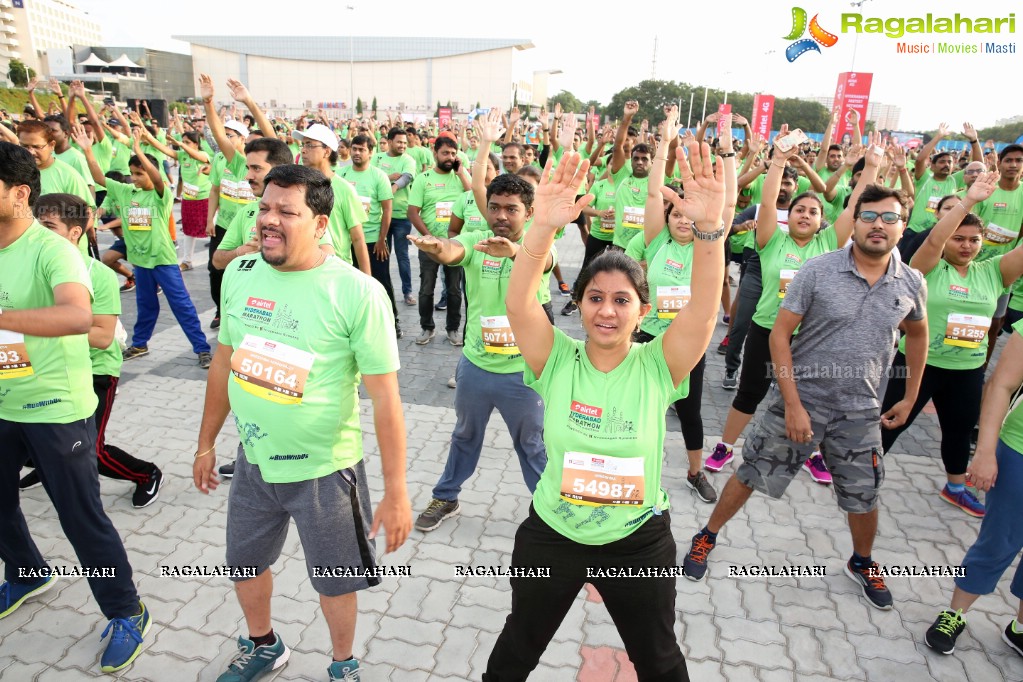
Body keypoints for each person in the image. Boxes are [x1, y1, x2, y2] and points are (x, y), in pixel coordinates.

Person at [483, 134, 728, 680]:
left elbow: (704, 313)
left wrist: (711, 233)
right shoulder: (557, 358)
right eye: (595, 298)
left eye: (622, 300)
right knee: (516, 651)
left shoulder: (658, 365)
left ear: (642, 310)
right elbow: (519, 303)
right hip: (553, 534)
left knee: (660, 661)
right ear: (580, 304)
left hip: (638, 540)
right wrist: (543, 226)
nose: (607, 312)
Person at [193, 164, 411, 682]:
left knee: (335, 580)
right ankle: (264, 645)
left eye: (286, 212)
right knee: (243, 564)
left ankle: (342, 664)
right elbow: (225, 360)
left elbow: (386, 400)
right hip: (254, 463)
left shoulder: (357, 293)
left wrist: (396, 489)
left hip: (325, 472)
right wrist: (206, 443)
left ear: (319, 223)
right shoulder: (242, 275)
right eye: (264, 207)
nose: (268, 219)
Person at [684, 166, 928, 613]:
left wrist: (910, 395)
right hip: (801, 402)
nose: (878, 225)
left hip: (861, 411)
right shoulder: (818, 271)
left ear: (903, 225)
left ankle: (862, 560)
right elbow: (779, 336)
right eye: (869, 216)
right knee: (751, 471)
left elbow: (917, 334)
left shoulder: (911, 282)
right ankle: (707, 535)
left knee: (864, 492)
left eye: (889, 218)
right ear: (853, 222)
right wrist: (793, 404)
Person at [0, 142, 150, 673]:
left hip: (54, 408)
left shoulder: (52, 250)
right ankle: (25, 572)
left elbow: (75, 317)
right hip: (3, 404)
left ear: (19, 193)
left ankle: (125, 610)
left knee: (80, 519)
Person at [706, 126, 856, 481]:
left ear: (822, 221)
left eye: (812, 212)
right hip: (766, 329)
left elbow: (853, 207)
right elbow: (769, 201)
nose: (804, 215)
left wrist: (860, 168)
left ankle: (812, 452)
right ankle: (726, 446)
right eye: (800, 210)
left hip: (810, 337)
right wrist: (777, 163)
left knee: (812, 398)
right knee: (750, 392)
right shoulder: (772, 240)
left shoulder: (829, 245)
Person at [409, 167, 552, 531]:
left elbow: (546, 261)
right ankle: (447, 495)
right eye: (495, 207)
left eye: (511, 209)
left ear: (528, 213)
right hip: (475, 366)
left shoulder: (537, 245)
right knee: (465, 435)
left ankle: (551, 509)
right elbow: (453, 250)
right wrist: (436, 247)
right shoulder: (477, 240)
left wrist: (518, 252)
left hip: (524, 372)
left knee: (532, 444)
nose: (501, 216)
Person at [881, 172, 1023, 517]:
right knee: (888, 422)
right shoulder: (927, 267)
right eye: (958, 238)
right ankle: (861, 471)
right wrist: (969, 201)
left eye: (974, 240)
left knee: (959, 431)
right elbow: (932, 242)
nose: (966, 245)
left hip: (967, 370)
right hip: (917, 365)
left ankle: (955, 487)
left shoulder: (993, 272)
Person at [625, 108, 723, 504]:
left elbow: (718, 216)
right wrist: (664, 142)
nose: (683, 220)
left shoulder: (705, 245)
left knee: (690, 413)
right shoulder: (655, 241)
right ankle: (631, 469)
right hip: (649, 340)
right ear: (666, 217)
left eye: (688, 215)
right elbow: (652, 192)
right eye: (676, 213)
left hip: (689, 345)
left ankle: (696, 472)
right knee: (639, 409)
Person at [923, 316, 1023, 658]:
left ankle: (1020, 629)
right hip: (1020, 450)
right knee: (999, 541)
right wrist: (984, 451)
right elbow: (1001, 385)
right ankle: (954, 613)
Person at [74, 124, 213, 368]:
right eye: (133, 174)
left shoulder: (161, 195)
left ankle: (202, 349)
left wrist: (137, 149)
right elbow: (98, 178)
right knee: (146, 305)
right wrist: (87, 151)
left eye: (140, 174)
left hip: (163, 260)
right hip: (140, 261)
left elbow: (158, 178)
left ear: (151, 172)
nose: (135, 178)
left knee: (182, 306)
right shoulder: (125, 191)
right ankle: (140, 344)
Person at [200, 75, 275, 329]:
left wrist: (249, 102)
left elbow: (274, 141)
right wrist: (208, 102)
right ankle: (224, 310)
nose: (251, 175)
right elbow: (218, 137)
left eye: (257, 169)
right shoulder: (231, 162)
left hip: (258, 230)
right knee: (218, 267)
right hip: (229, 226)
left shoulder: (272, 172)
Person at [408, 136, 470, 345]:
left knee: (454, 289)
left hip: (454, 244)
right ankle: (427, 327)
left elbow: (474, 197)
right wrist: (427, 237)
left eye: (453, 154)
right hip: (428, 244)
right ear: (435, 153)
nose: (450, 157)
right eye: (445, 153)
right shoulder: (423, 179)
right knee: (427, 288)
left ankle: (453, 329)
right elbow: (413, 212)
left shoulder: (460, 177)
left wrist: (462, 173)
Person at [340, 134, 400, 337]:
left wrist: (382, 240)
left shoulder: (379, 177)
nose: (357, 153)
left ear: (371, 153)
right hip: (348, 242)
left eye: (361, 149)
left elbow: (387, 210)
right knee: (350, 283)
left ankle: (392, 322)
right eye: (354, 149)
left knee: (381, 283)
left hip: (373, 241)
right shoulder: (342, 175)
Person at [293, 123, 372, 275]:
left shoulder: (344, 189)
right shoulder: (298, 187)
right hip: (304, 267)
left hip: (337, 270)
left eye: (309, 145)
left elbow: (358, 238)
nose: (303, 150)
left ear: (326, 151)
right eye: (303, 145)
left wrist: (367, 279)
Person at [373, 127, 418, 305]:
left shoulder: (408, 160)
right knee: (381, 255)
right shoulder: (377, 158)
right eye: (399, 142)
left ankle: (407, 292)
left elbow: (406, 177)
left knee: (402, 255)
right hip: (380, 216)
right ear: (389, 142)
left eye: (405, 143)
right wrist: (388, 177)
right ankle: (380, 291)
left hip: (400, 217)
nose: (402, 145)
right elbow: (373, 177)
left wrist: (392, 187)